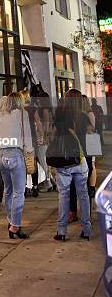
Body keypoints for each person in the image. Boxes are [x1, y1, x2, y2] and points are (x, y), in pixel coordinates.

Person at [52, 95, 92, 241]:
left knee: (64, 196)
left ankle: (62, 231)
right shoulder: (83, 116)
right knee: (84, 196)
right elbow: (91, 132)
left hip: (63, 162)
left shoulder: (60, 114)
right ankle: (86, 230)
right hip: (80, 160)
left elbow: (53, 136)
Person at [0, 92, 33, 239]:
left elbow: (2, 101)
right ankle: (15, 226)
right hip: (14, 154)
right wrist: (30, 152)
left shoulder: (2, 115)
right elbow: (27, 136)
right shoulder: (22, 114)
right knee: (19, 192)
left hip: (0, 155)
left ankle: (10, 221)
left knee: (8, 190)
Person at [66, 89, 94, 222]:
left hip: (69, 155)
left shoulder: (63, 116)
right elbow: (90, 133)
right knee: (85, 187)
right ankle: (86, 215)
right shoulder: (84, 116)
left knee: (70, 185)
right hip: (84, 155)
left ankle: (72, 212)